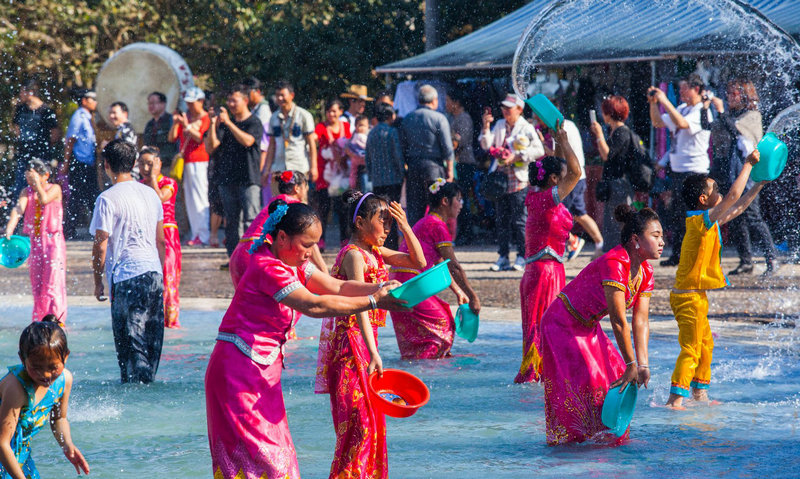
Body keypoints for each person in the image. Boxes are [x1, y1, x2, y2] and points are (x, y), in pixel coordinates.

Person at [205, 202, 407, 479]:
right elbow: (314, 306)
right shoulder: (268, 268)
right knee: (266, 463)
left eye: (314, 245)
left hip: (262, 371)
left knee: (281, 458)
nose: (311, 252)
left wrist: (380, 288)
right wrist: (373, 302)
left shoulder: (294, 263)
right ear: (282, 237)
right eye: (306, 244)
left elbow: (337, 286)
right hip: (236, 372)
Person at [315, 190, 425, 478]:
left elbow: (419, 262)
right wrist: (374, 352)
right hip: (349, 344)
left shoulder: (375, 252)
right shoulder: (354, 255)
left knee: (373, 419)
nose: (387, 230)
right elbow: (359, 307)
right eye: (383, 222)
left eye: (391, 223)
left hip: (366, 343)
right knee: (358, 422)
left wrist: (406, 227)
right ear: (360, 222)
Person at [540, 205, 664, 445]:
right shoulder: (615, 262)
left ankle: (604, 438)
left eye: (662, 236)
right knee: (588, 384)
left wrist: (642, 364)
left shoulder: (646, 272)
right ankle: (575, 444)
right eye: (655, 236)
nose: (662, 242)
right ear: (636, 239)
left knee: (616, 375)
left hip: (588, 326)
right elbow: (619, 321)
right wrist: (631, 363)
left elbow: (640, 320)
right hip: (561, 323)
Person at [666, 149, 767, 409]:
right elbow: (733, 197)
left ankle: (699, 393)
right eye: (714, 189)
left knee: (706, 344)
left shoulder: (707, 221)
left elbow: (740, 205)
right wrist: (747, 164)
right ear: (703, 199)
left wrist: (760, 182)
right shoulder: (700, 222)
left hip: (696, 296)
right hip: (686, 298)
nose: (719, 191)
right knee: (691, 347)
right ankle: (674, 400)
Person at [90, 139, 166, 384]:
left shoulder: (107, 199)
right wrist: (161, 274)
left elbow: (100, 243)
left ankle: (135, 410)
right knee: (151, 349)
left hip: (127, 279)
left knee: (130, 353)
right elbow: (161, 241)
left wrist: (97, 281)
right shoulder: (152, 195)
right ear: (134, 163)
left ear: (106, 165)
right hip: (154, 275)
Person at [514, 127, 582, 384]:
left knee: (540, 328)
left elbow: (566, 170)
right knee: (545, 328)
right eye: (560, 178)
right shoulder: (546, 200)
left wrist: (558, 143)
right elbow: (576, 172)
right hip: (545, 272)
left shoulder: (535, 197)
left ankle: (539, 375)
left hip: (541, 271)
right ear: (554, 179)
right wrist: (564, 141)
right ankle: (537, 379)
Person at [390, 180, 481, 359]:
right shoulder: (437, 225)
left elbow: (439, 261)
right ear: (445, 201)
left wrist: (457, 290)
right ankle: (430, 370)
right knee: (443, 323)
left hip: (404, 282)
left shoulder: (428, 221)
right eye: (459, 199)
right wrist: (472, 296)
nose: (461, 205)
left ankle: (426, 363)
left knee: (442, 318)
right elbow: (452, 265)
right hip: (409, 284)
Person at [0, 318, 90, 478]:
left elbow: (59, 418)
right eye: (36, 368)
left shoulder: (64, 380)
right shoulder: (16, 388)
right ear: (22, 359)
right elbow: (2, 442)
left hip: (19, 459)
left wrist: (67, 444)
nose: (46, 375)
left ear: (66, 356)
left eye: (53, 367)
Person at [708, 79, 778, 276]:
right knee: (737, 219)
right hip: (734, 172)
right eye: (728, 94)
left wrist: (722, 112)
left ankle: (771, 258)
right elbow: (709, 127)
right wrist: (709, 109)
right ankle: (745, 261)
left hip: (750, 174)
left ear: (744, 96)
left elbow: (739, 132)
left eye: (733, 94)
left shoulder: (752, 115)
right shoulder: (731, 115)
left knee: (753, 217)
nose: (729, 98)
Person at [648, 74, 712, 266]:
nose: (682, 92)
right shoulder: (683, 108)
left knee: (694, 215)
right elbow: (658, 122)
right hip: (678, 170)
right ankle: (678, 254)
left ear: (697, 89)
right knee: (678, 214)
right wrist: (653, 103)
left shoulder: (702, 111)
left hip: (695, 171)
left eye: (685, 88)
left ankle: (697, 256)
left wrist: (664, 100)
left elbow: (683, 124)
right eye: (681, 88)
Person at [480, 93, 545, 272]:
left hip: (519, 180)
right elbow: (486, 145)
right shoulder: (500, 125)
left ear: (519, 109)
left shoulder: (526, 127)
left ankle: (522, 255)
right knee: (502, 220)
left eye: (509, 108)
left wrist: (517, 156)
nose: (505, 111)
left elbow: (538, 149)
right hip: (500, 181)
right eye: (503, 108)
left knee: (519, 220)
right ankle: (503, 256)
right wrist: (486, 126)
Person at [229, 170, 325, 287]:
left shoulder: (274, 203)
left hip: (239, 255)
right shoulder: (295, 207)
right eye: (306, 187)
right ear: (297, 188)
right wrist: (324, 272)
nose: (307, 192)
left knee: (250, 302)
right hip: (259, 255)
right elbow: (309, 242)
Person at [205, 84, 263, 263]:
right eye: (228, 100)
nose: (230, 104)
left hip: (248, 179)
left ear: (245, 100)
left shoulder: (254, 122)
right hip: (226, 178)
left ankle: (253, 258)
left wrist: (229, 123)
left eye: (234, 100)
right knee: (231, 221)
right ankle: (235, 258)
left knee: (251, 220)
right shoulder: (223, 124)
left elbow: (248, 141)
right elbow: (211, 147)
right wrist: (214, 124)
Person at [4, 159, 67, 324]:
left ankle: (57, 322)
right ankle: (39, 322)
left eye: (33, 178)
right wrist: (10, 228)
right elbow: (18, 210)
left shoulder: (55, 189)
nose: (30, 182)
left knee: (52, 284)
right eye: (28, 179)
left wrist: (37, 183)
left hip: (54, 244)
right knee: (38, 286)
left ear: (46, 175)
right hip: (36, 244)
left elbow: (45, 199)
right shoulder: (27, 192)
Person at [537, 113, 604, 259]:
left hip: (571, 178)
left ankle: (573, 241)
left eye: (540, 117)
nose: (539, 122)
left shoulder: (560, 129)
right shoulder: (569, 124)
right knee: (579, 214)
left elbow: (557, 157)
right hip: (577, 176)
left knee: (556, 214)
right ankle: (599, 244)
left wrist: (543, 145)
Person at [139, 147, 182, 329]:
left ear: (158, 164)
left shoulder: (168, 182)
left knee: (168, 275)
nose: (146, 168)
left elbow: (161, 198)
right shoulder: (138, 184)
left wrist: (154, 178)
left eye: (150, 164)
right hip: (147, 234)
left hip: (167, 234)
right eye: (142, 164)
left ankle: (170, 322)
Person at [402, 84, 455, 226]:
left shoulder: (407, 118)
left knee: (415, 209)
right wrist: (450, 170)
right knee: (436, 206)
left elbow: (403, 146)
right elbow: (447, 147)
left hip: (413, 167)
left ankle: (415, 242)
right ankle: (434, 239)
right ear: (434, 100)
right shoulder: (439, 118)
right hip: (433, 168)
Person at [590, 95, 635, 250]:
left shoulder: (621, 132)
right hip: (615, 184)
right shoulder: (615, 131)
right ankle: (612, 254)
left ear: (610, 113)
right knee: (611, 223)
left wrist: (599, 135)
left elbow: (606, 155)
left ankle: (617, 254)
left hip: (619, 184)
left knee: (616, 223)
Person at [170, 86, 211, 247]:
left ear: (201, 101)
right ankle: (196, 233)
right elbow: (172, 137)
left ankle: (203, 234)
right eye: (188, 103)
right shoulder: (186, 116)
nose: (190, 106)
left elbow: (200, 138)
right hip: (186, 161)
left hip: (200, 160)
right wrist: (176, 123)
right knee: (190, 199)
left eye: (193, 103)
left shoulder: (205, 118)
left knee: (200, 197)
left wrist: (186, 125)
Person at [313, 98, 352, 250]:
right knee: (323, 208)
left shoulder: (346, 127)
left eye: (334, 111)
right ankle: (320, 239)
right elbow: (313, 138)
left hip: (341, 175)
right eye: (329, 111)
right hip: (324, 174)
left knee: (342, 207)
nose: (331, 114)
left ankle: (344, 238)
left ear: (341, 112)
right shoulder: (321, 127)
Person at [365, 103, 404, 249]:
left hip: (377, 181)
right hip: (393, 179)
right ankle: (392, 243)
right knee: (392, 212)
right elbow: (397, 156)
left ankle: (382, 242)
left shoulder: (372, 133)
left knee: (380, 213)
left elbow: (367, 157)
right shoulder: (392, 132)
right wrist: (402, 173)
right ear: (389, 116)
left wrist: (371, 175)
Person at [11, 79, 59, 197]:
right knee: (20, 188)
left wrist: (43, 146)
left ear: (31, 92)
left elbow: (55, 134)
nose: (20, 95)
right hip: (23, 155)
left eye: (22, 91)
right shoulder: (20, 109)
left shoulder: (46, 111)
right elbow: (17, 130)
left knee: (40, 188)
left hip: (41, 156)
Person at [264, 80, 318, 183]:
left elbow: (311, 144)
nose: (279, 98)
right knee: (279, 198)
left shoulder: (303, 115)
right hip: (278, 168)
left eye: (282, 95)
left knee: (299, 198)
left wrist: (314, 167)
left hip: (299, 167)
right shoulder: (274, 118)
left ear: (292, 95)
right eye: (277, 95)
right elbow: (271, 145)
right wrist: (267, 169)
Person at [63, 89, 99, 238]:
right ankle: (69, 230)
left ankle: (96, 227)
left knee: (91, 195)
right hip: (79, 162)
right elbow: (70, 140)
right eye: (92, 99)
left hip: (88, 162)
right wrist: (66, 164)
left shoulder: (90, 116)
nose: (95, 102)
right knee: (78, 196)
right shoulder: (78, 116)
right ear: (84, 100)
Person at [445, 89, 477, 244]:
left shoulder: (463, 118)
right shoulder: (453, 118)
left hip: (465, 163)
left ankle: (467, 233)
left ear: (456, 103)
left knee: (461, 199)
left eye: (448, 100)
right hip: (459, 164)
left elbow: (460, 141)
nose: (446, 104)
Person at [143, 91, 178, 168]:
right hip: (152, 164)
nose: (151, 106)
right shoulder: (150, 124)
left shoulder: (171, 120)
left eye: (154, 103)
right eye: (149, 103)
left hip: (168, 164)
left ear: (163, 104)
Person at [346, 115, 370, 190]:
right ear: (355, 126)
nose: (362, 128)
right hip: (360, 161)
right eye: (360, 125)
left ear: (368, 126)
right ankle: (352, 185)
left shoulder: (360, 135)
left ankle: (352, 185)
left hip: (359, 161)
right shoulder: (359, 136)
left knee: (353, 173)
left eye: (364, 126)